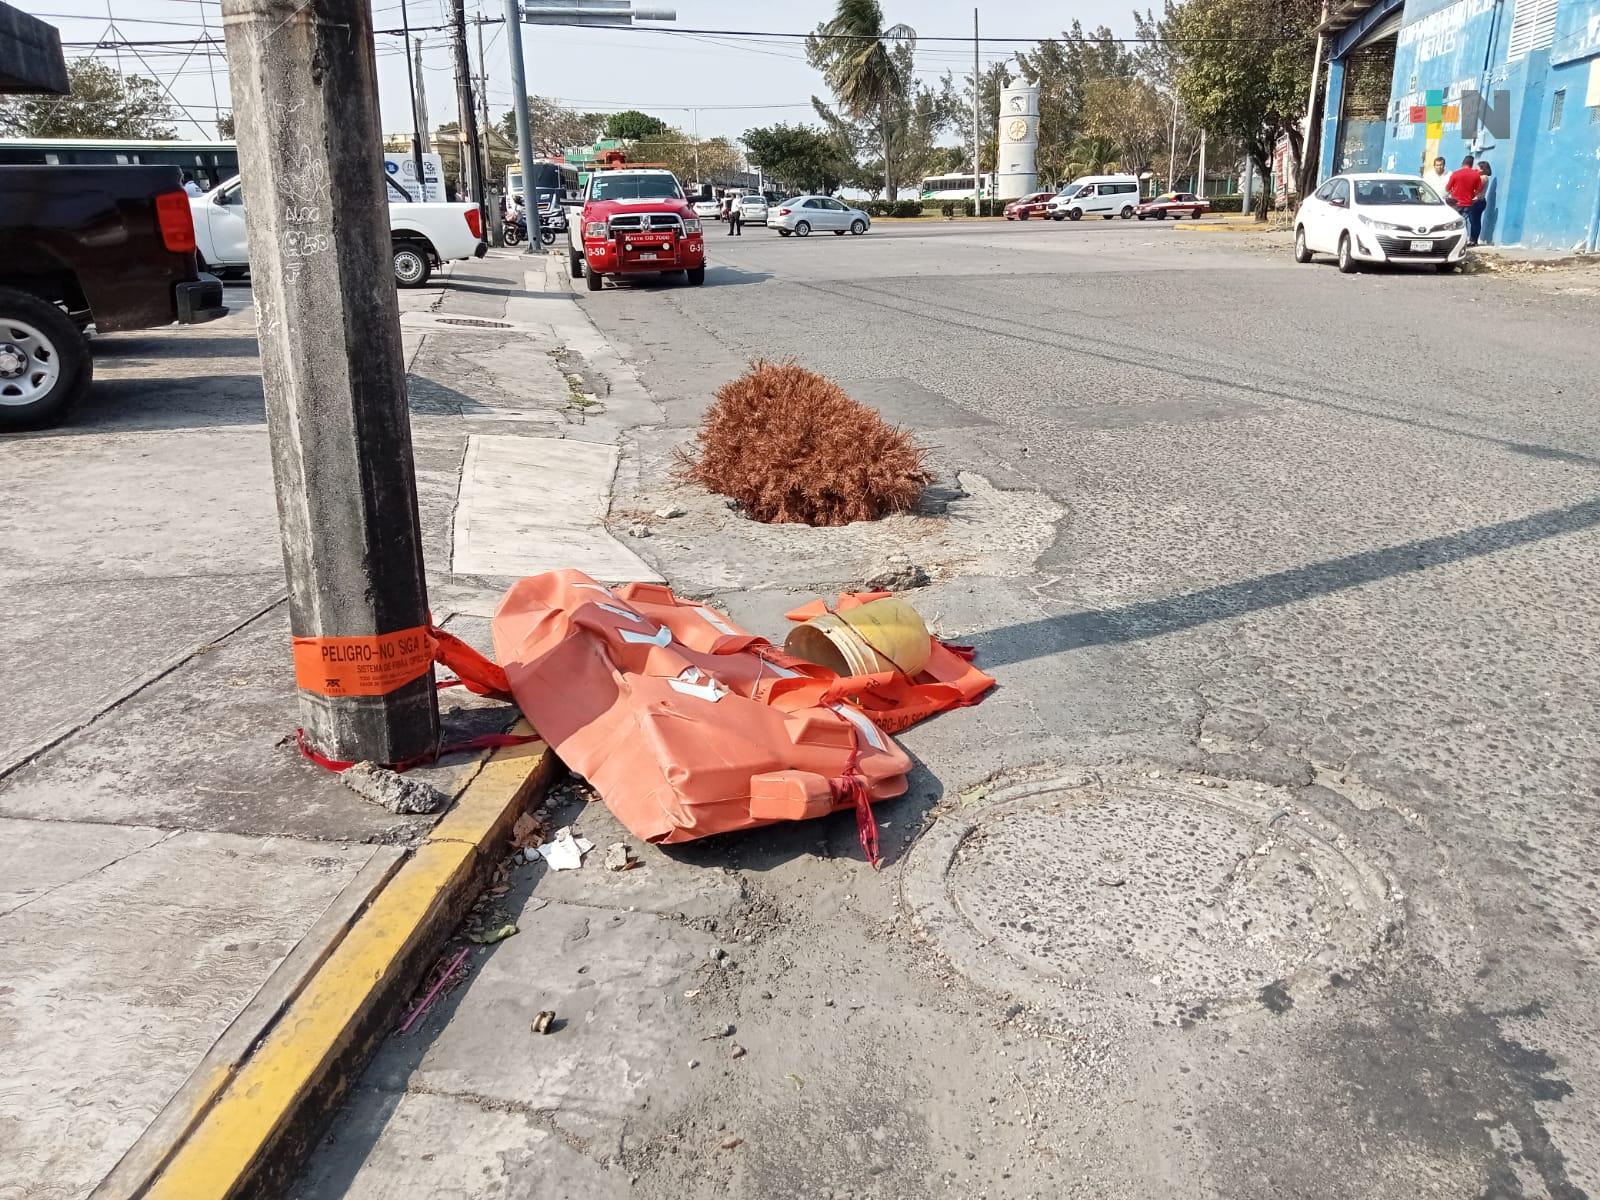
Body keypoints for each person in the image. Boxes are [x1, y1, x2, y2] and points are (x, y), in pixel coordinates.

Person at [1445, 154, 1480, 225]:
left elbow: (1447, 188)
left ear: (1462, 163)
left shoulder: (1455, 174)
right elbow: (1478, 189)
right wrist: (1472, 196)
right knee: (1463, 223)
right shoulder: (1476, 175)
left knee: (1453, 223)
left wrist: (1452, 191)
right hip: (1468, 203)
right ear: (1472, 164)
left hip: (1455, 203)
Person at [1470, 160, 1492, 246]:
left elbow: (1476, 190)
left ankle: (1473, 240)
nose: (1476, 169)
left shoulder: (1483, 178)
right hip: (1479, 201)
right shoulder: (1483, 177)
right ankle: (1473, 239)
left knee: (1474, 221)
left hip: (1477, 202)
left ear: (1482, 169)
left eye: (1477, 168)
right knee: (1475, 221)